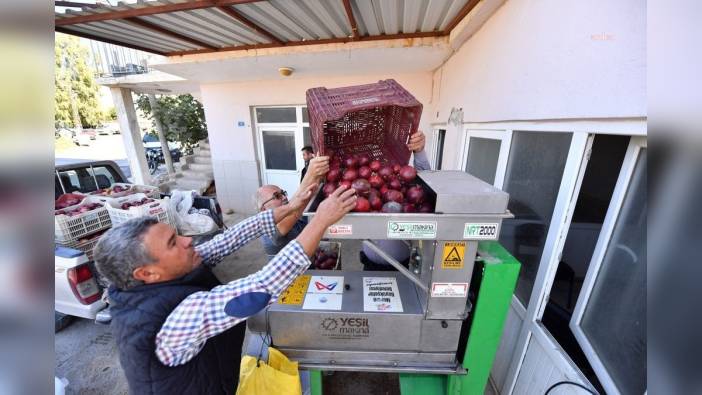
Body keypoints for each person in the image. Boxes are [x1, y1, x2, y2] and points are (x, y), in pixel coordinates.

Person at [93, 183, 356, 395]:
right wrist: (320, 222)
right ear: (147, 273)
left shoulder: (159, 277)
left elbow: (230, 238)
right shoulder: (175, 317)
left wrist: (293, 206)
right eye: (173, 242)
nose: (187, 240)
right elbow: (261, 287)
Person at [361, 130, 431, 270]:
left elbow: (426, 181)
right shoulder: (367, 183)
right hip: (369, 264)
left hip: (402, 267)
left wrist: (419, 151)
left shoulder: (405, 184)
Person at [256, 155, 330, 259]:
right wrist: (310, 174)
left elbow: (299, 203)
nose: (284, 197)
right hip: (289, 274)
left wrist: (317, 178)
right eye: (277, 196)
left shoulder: (286, 213)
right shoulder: (265, 229)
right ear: (264, 209)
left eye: (283, 193)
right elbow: (295, 210)